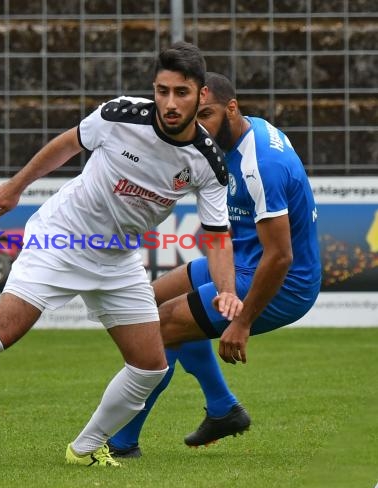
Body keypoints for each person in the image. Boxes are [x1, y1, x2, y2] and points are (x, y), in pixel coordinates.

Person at [0, 44, 243, 467]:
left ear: (202, 94)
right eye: (162, 91)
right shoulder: (120, 116)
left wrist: (226, 290)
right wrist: (15, 186)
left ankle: (85, 449)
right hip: (62, 237)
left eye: (181, 93)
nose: (169, 103)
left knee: (150, 366)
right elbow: (68, 144)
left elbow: (218, 236)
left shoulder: (208, 162)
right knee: (1, 332)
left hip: (116, 258)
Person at [107, 71, 321, 457]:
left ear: (232, 108)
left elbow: (280, 256)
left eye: (205, 115)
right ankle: (223, 408)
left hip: (282, 281)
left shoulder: (262, 165)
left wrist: (242, 321)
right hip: (242, 260)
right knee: (146, 303)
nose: (197, 126)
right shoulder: (233, 139)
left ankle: (122, 442)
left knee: (165, 325)